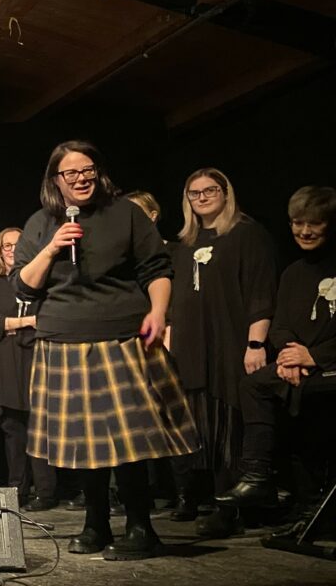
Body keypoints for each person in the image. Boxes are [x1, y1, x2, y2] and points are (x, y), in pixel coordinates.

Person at [12, 140, 198, 560]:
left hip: (121, 337)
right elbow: (23, 286)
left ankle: (140, 526)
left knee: (127, 441)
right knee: (82, 443)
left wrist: (159, 312)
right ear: (55, 180)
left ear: (99, 172)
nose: (81, 179)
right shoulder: (41, 223)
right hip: (63, 342)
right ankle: (95, 523)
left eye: (87, 170)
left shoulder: (125, 214)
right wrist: (53, 246)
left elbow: (157, 267)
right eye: (71, 173)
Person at [167, 168, 276, 536]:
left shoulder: (247, 234)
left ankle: (236, 509)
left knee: (232, 422)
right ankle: (216, 502)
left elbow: (261, 292)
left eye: (209, 190)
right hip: (192, 347)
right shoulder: (184, 244)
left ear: (225, 192)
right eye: (194, 193)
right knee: (205, 428)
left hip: (231, 342)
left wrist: (256, 342)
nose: (202, 198)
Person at [217, 186, 336, 510]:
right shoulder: (293, 272)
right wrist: (288, 356)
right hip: (301, 367)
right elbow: (280, 324)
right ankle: (258, 477)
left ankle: (310, 501)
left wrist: (313, 356)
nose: (305, 231)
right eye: (298, 223)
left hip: (329, 366)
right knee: (255, 384)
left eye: (314, 223)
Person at [0, 227, 57, 510]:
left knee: (39, 426)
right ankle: (17, 488)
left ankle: (46, 492)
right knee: (12, 427)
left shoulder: (43, 282)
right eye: (6, 246)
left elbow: (47, 319)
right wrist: (24, 322)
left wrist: (8, 325)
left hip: (36, 358)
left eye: (17, 244)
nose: (11, 249)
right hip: (4, 359)